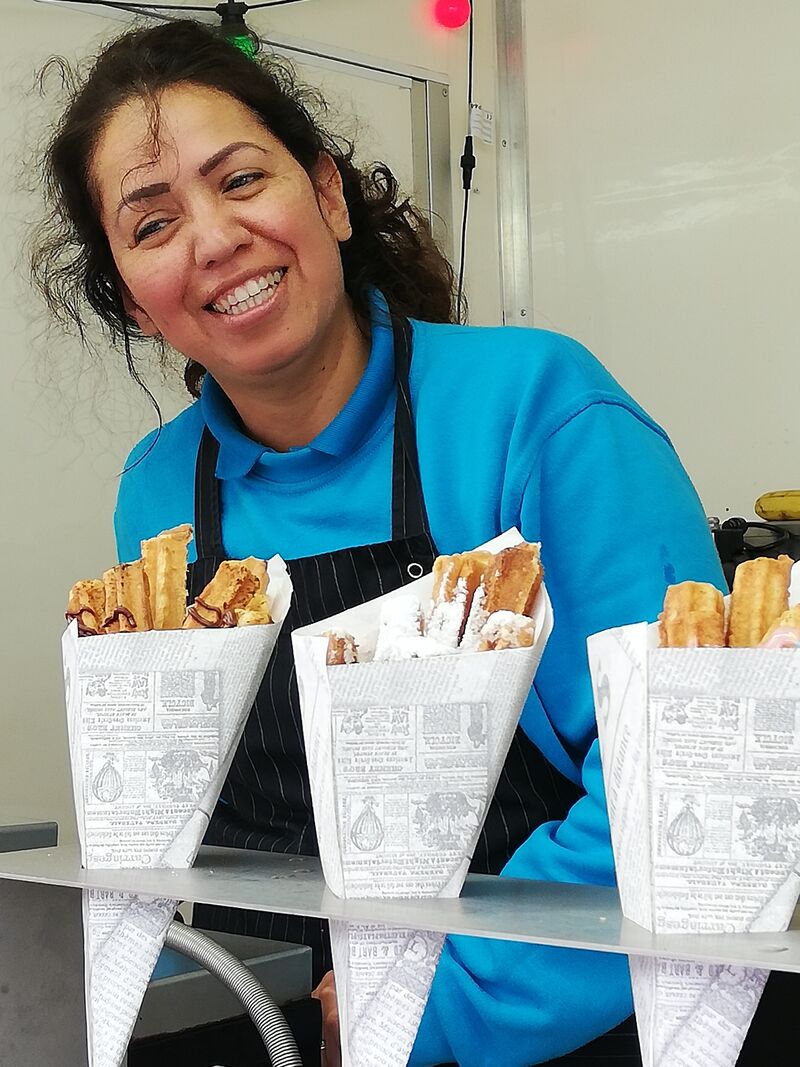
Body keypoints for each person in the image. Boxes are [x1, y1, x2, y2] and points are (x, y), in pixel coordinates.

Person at [32, 19, 726, 1067]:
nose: (214, 238)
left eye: (241, 179)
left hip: (553, 1023)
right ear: (133, 297)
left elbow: (693, 786)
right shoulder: (159, 493)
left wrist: (425, 1003)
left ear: (326, 193)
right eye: (154, 221)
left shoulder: (538, 410)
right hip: (281, 1023)